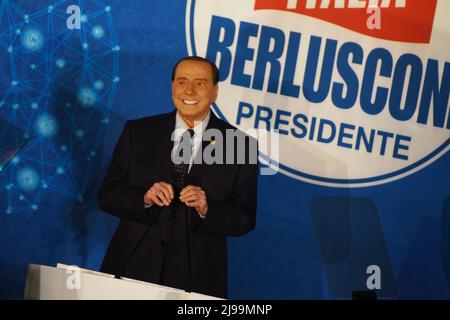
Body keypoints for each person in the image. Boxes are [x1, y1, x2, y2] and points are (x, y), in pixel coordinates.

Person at [97, 56, 258, 298]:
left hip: (198, 276)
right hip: (132, 265)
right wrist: (144, 198)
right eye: (181, 82)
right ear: (172, 87)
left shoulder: (241, 146)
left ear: (215, 92)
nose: (189, 90)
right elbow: (108, 194)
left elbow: (245, 218)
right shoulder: (138, 132)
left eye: (200, 83)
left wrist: (207, 209)